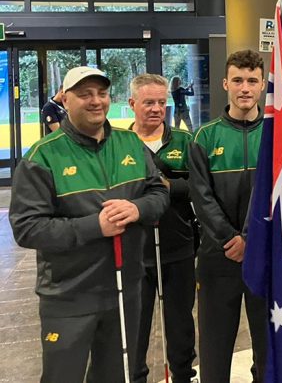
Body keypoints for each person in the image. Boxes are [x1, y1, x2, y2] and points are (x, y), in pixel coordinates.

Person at [9, 66, 169, 383]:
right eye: (85, 94)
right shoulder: (42, 156)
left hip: (125, 289)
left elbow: (158, 193)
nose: (96, 101)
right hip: (69, 295)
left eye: (102, 93)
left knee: (115, 376)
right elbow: (27, 228)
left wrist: (136, 209)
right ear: (65, 101)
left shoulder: (130, 143)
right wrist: (95, 226)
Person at [188, 50, 268, 383]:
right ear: (225, 84)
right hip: (218, 256)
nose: (245, 87)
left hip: (266, 256)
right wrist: (231, 239)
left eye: (252, 80)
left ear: (263, 85)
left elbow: (281, 196)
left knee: (268, 346)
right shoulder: (204, 137)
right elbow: (201, 197)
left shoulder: (280, 135)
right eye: (238, 80)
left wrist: (251, 239)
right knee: (215, 346)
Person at [128, 74, 197, 383]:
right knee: (135, 326)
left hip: (179, 247)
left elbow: (200, 187)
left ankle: (183, 375)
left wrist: (170, 187)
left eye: (161, 102)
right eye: (148, 102)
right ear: (132, 104)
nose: (156, 109)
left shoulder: (185, 141)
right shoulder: (120, 144)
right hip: (134, 252)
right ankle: (136, 376)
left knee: (181, 325)